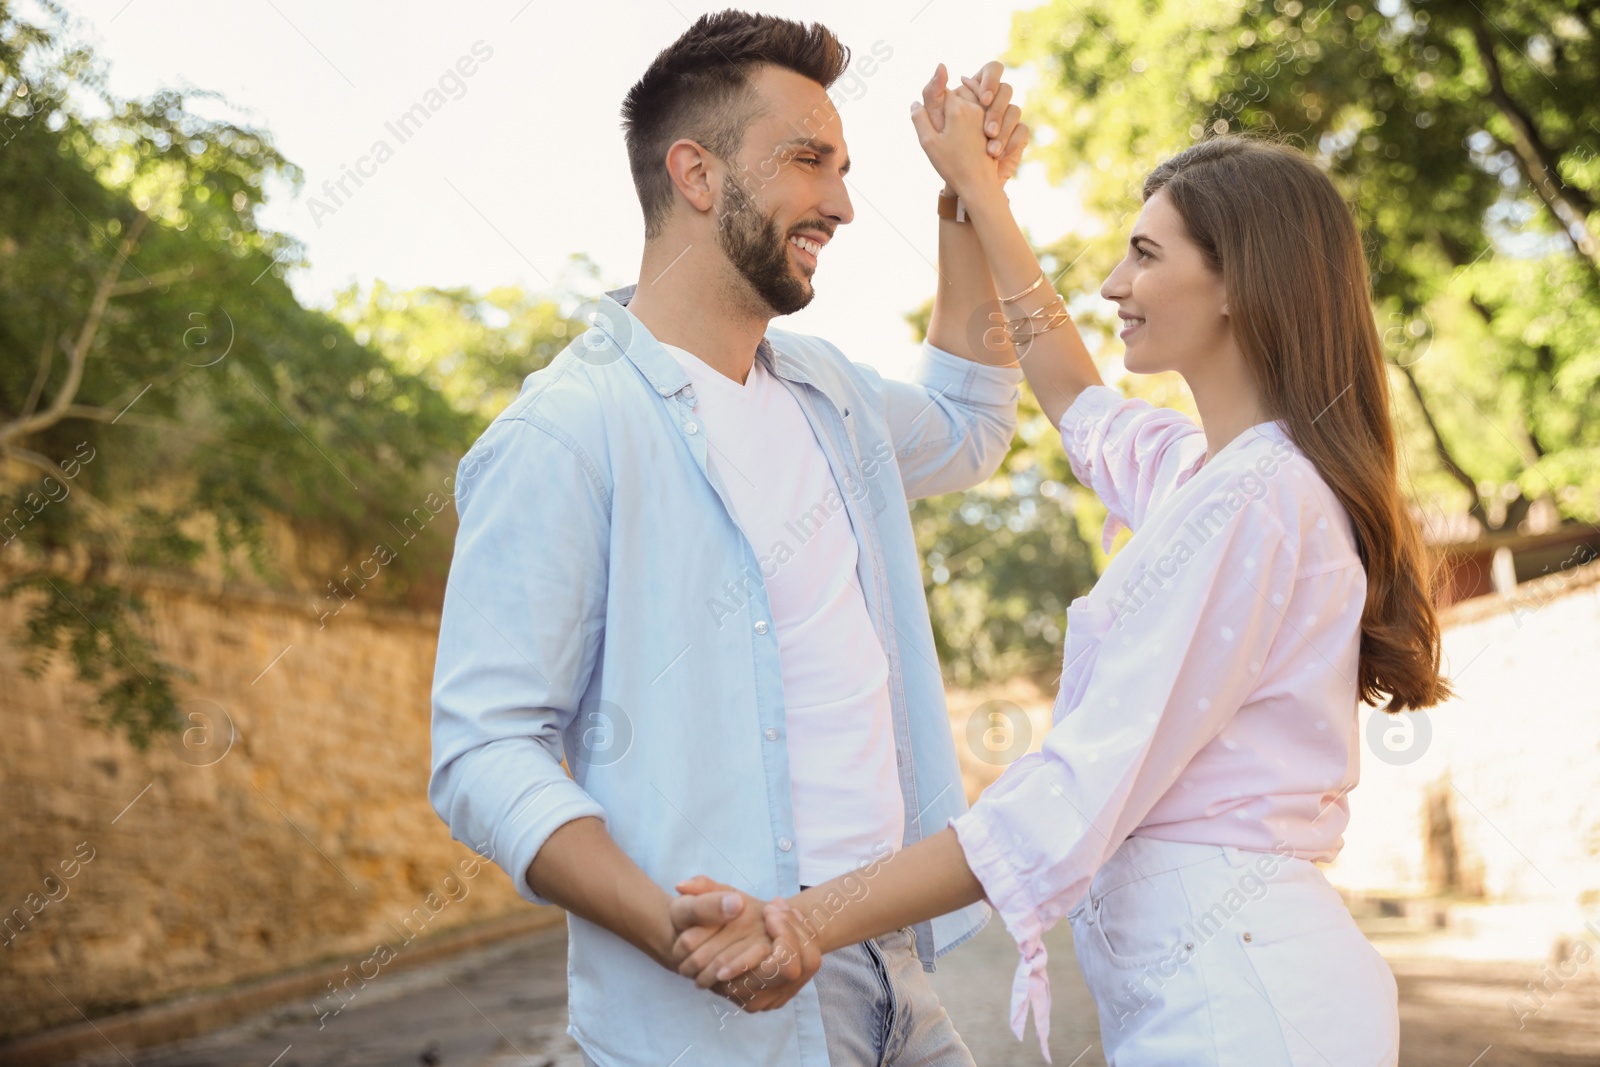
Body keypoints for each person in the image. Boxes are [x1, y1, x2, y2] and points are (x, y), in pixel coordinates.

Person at [670, 68, 1454, 1066]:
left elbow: (1060, 800)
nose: (1113, 285)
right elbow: (1072, 394)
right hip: (1225, 988)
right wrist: (977, 196)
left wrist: (805, 919)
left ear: (1237, 283)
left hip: (1243, 1007)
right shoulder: (1208, 477)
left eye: (1142, 255)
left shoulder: (1253, 502)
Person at [427, 13, 1036, 1067]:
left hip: (890, 968)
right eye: (809, 162)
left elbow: (971, 424)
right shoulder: (566, 434)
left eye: (844, 168)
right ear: (696, 174)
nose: (842, 203)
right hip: (714, 1017)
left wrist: (961, 204)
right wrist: (673, 926)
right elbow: (483, 749)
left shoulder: (830, 395)